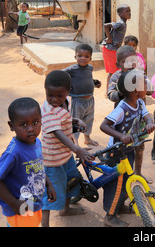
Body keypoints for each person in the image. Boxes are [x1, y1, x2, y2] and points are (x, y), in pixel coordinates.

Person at [100, 69, 155, 227]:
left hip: (129, 150)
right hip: (117, 153)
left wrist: (150, 122)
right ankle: (109, 216)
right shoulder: (122, 108)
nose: (147, 84)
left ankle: (120, 206)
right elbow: (104, 125)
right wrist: (121, 136)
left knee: (126, 181)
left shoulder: (139, 102)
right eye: (144, 83)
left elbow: (146, 114)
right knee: (116, 185)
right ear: (135, 90)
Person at [0, 97, 56, 227]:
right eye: (23, 125)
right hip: (21, 206)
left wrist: (49, 184)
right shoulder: (13, 153)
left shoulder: (36, 142)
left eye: (35, 122)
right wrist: (14, 204)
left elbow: (38, 168)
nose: (31, 128)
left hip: (33, 202)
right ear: (11, 126)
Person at [40, 70, 95, 227]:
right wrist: (77, 149)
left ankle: (65, 209)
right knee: (51, 193)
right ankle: (45, 224)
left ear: (68, 92)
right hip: (52, 161)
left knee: (71, 182)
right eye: (50, 95)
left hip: (65, 155)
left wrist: (77, 121)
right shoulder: (48, 111)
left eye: (59, 96)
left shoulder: (66, 102)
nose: (54, 100)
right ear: (45, 90)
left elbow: (65, 118)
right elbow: (57, 133)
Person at [107, 45, 152, 184]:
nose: (131, 64)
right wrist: (123, 90)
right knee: (123, 150)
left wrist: (145, 86)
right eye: (125, 62)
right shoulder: (116, 76)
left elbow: (150, 90)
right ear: (118, 64)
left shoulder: (140, 75)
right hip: (123, 120)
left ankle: (137, 173)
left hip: (139, 119)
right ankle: (122, 177)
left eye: (133, 61)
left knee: (139, 147)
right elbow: (110, 95)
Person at [63, 43, 101, 147]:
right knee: (76, 122)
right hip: (77, 100)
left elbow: (87, 79)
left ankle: (87, 138)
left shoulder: (90, 68)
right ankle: (75, 143)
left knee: (89, 120)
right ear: (75, 57)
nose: (83, 58)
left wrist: (95, 83)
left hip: (90, 100)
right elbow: (61, 74)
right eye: (80, 56)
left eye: (86, 56)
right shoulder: (72, 69)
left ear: (90, 58)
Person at [102, 4, 132, 92]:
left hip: (112, 49)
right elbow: (105, 26)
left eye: (129, 11)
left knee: (115, 70)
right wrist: (109, 38)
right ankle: (109, 91)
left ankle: (113, 89)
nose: (129, 13)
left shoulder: (123, 23)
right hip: (110, 49)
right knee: (112, 72)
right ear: (120, 14)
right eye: (127, 11)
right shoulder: (120, 23)